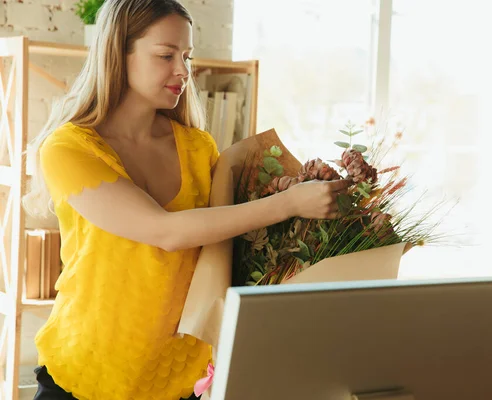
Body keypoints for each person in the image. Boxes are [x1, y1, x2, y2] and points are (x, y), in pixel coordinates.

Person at [23, 1, 349, 399]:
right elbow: (164, 231)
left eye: (187, 56)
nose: (183, 71)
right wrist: (290, 204)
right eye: (165, 55)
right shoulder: (69, 149)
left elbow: (225, 236)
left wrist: (288, 194)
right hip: (87, 375)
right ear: (117, 53)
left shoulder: (198, 147)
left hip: (179, 382)